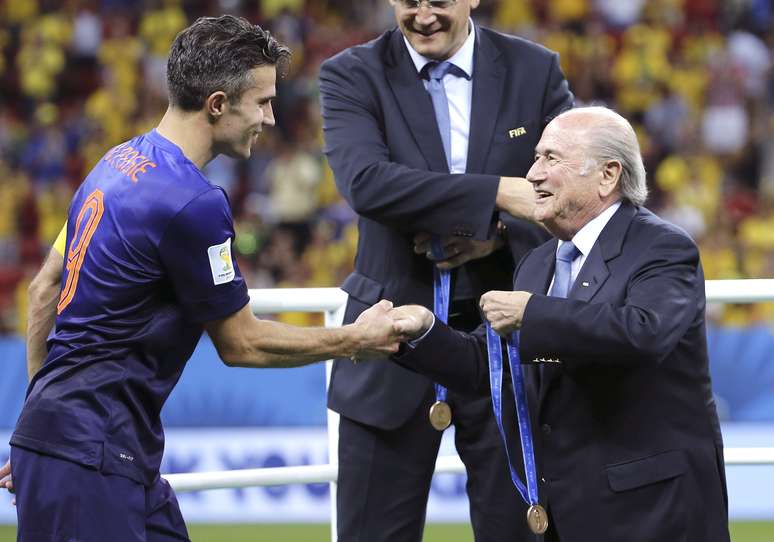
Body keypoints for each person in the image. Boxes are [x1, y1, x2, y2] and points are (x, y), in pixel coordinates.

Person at [0, 15, 404, 541]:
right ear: (218, 104)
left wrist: (41, 430)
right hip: (93, 454)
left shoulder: (115, 163)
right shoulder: (192, 202)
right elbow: (243, 344)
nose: (272, 118)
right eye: (262, 101)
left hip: (99, 450)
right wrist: (357, 339)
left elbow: (43, 290)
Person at [389, 106, 731, 542]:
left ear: (608, 175)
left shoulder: (662, 247)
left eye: (551, 158)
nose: (532, 174)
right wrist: (420, 332)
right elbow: (489, 364)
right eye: (535, 158)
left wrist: (533, 313)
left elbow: (644, 332)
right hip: (565, 512)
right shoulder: (538, 262)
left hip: (652, 512)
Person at [318, 0, 573, 539]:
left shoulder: (535, 70)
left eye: (438, 1)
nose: (423, 15)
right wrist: (499, 195)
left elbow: (572, 191)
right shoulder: (351, 74)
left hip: (507, 340)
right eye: (410, 1)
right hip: (388, 338)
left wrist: (495, 236)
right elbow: (367, 183)